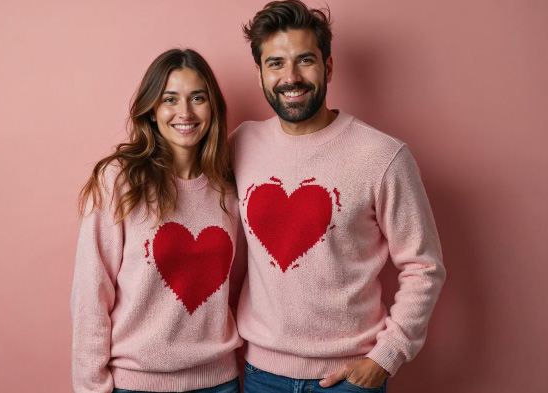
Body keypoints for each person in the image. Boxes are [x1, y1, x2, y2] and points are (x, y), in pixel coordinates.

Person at [229, 1, 446, 392]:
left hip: (350, 378)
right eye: (275, 63)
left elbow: (424, 266)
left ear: (328, 67)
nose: (290, 77)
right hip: (261, 375)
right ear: (260, 74)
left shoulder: (382, 155)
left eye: (305, 60)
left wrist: (387, 356)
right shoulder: (241, 144)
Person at [70, 48, 245, 393]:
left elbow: (240, 288)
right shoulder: (119, 181)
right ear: (152, 110)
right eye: (170, 99)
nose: (185, 112)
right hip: (136, 384)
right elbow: (91, 294)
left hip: (218, 382)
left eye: (198, 98)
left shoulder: (230, 185)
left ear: (213, 109)